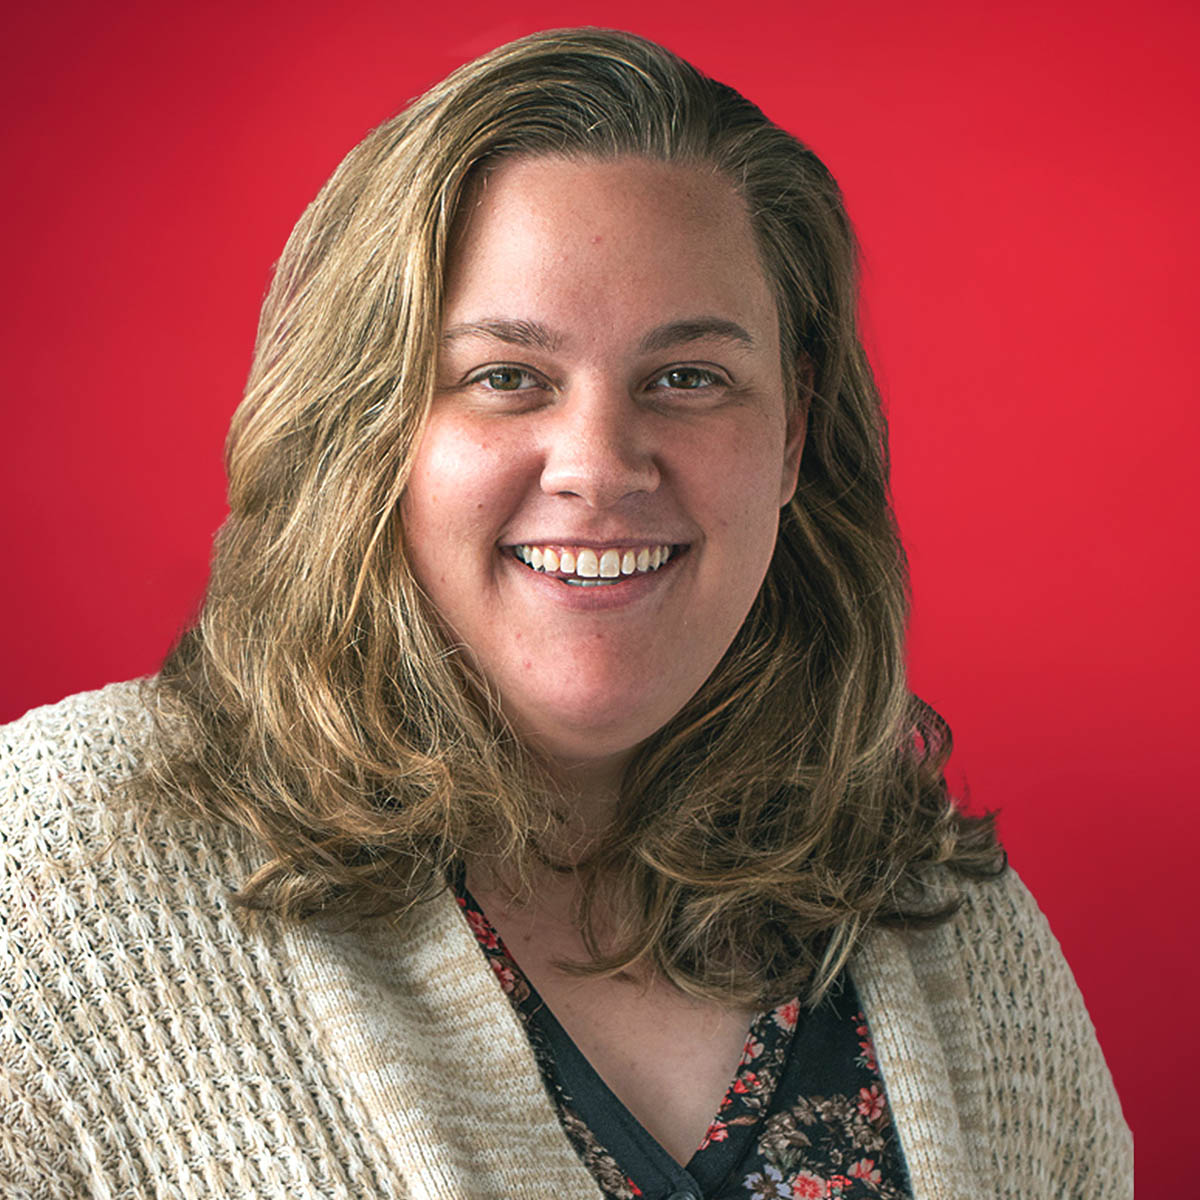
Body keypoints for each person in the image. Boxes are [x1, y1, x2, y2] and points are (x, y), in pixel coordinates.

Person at [0, 27, 1131, 1200]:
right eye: (505, 378)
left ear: (791, 436)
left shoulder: (948, 922)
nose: (598, 466)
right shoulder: (53, 884)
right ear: (368, 427)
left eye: (687, 378)